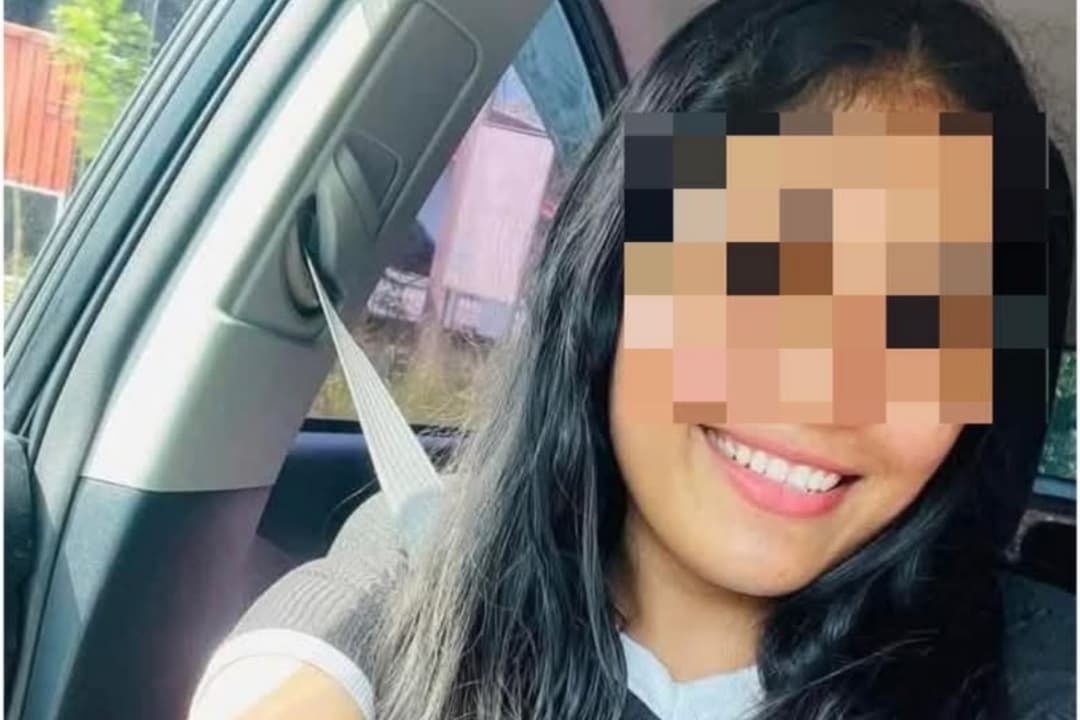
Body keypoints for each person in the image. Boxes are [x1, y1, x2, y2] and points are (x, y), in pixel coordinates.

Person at [189, 0, 1075, 718]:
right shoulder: (434, 562)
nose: (824, 393)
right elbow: (356, 607)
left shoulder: (1038, 670)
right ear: (612, 282)